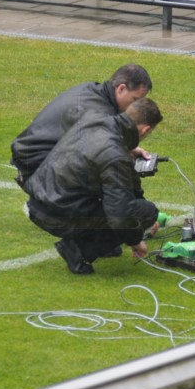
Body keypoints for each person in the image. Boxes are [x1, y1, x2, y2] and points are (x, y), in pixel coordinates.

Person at [25, 97, 163, 274]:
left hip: (40, 197)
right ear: (145, 130)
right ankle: (79, 251)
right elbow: (120, 216)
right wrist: (136, 240)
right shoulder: (115, 156)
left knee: (118, 201)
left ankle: (102, 245)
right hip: (56, 213)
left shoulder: (95, 118)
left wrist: (127, 150)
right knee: (146, 211)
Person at [10, 63, 152, 191]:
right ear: (121, 89)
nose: (136, 107)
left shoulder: (93, 90)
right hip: (35, 168)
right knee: (110, 175)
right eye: (135, 100)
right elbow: (100, 155)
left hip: (33, 159)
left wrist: (127, 148)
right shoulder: (99, 113)